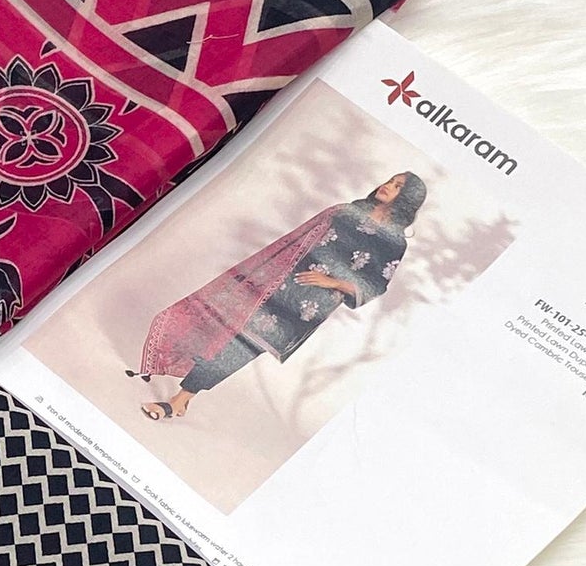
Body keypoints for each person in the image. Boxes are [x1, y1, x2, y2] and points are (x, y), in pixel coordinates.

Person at [130, 172, 427, 421]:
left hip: (305, 305)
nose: (388, 185)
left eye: (398, 186)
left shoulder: (393, 242)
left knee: (240, 348)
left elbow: (375, 285)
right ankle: (171, 379)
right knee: (220, 326)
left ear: (408, 199)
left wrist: (331, 282)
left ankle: (180, 399)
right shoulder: (345, 212)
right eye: (390, 180)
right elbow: (296, 240)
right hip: (274, 280)